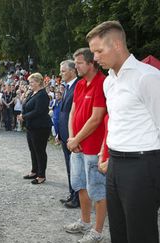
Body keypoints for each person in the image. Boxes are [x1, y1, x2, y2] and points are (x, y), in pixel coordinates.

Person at [87, 20, 160, 243]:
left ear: (117, 45)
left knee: (141, 233)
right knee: (118, 230)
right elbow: (116, 122)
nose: (95, 58)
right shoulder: (109, 82)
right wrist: (107, 154)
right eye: (93, 52)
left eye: (99, 51)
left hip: (142, 164)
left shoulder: (147, 77)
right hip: (115, 163)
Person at [63, 48, 107, 243]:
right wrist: (73, 139)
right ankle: (85, 221)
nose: (76, 66)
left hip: (92, 147)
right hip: (77, 145)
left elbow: (97, 118)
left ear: (91, 63)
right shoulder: (80, 84)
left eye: (79, 63)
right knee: (80, 184)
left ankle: (97, 231)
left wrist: (76, 140)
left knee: (97, 189)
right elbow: (73, 112)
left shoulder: (101, 83)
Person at [18, 73, 52, 184]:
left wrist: (24, 116)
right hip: (31, 126)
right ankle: (34, 171)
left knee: (40, 151)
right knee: (33, 149)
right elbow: (26, 105)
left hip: (41, 127)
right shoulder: (32, 93)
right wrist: (22, 115)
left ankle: (41, 175)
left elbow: (38, 111)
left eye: (32, 82)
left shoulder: (42, 95)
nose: (30, 84)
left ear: (38, 82)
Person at [57, 60, 80, 209]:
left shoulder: (78, 85)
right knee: (69, 166)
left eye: (63, 71)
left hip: (73, 135)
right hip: (65, 133)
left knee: (75, 168)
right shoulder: (67, 87)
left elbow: (75, 113)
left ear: (72, 71)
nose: (61, 74)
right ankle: (72, 194)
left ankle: (77, 198)